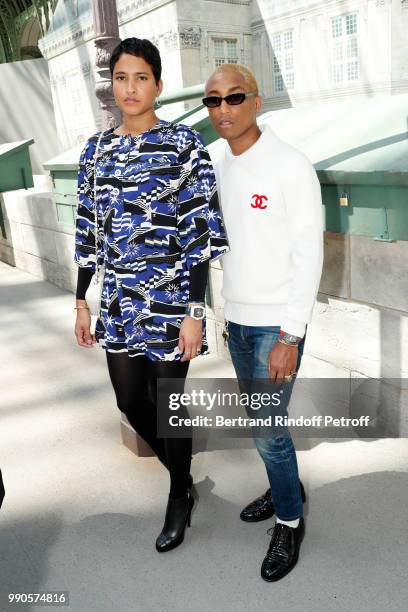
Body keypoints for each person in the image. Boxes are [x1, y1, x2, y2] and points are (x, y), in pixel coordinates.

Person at [74, 38, 229, 553]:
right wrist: (81, 301)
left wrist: (194, 313)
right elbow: (87, 231)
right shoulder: (95, 151)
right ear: (111, 85)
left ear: (158, 85)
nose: (131, 88)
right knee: (128, 399)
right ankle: (181, 474)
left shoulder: (184, 145)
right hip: (119, 300)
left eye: (141, 77)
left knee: (168, 404)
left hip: (170, 299)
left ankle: (177, 498)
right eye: (122, 77)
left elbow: (200, 235)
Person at [203, 64, 323, 580]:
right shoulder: (212, 163)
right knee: (262, 425)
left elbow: (309, 255)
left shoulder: (291, 166)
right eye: (213, 101)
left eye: (234, 97)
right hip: (238, 320)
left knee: (268, 431)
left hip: (277, 326)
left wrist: (290, 336)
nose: (223, 109)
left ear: (256, 101)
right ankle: (284, 488)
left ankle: (290, 520)